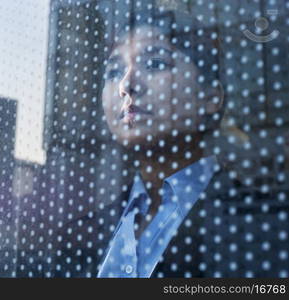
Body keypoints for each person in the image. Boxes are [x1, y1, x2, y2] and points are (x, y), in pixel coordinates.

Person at [96, 8, 225, 277]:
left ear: (211, 96)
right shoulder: (87, 228)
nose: (126, 84)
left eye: (155, 64)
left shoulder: (253, 219)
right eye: (113, 72)